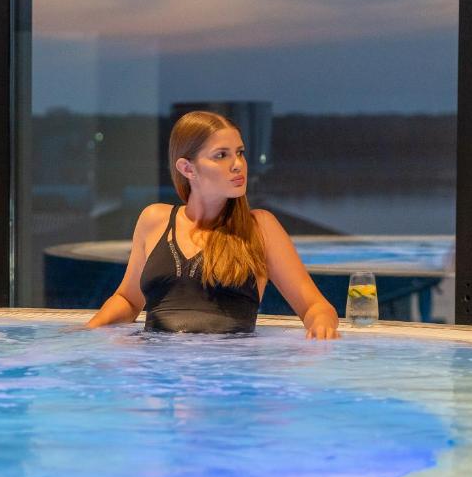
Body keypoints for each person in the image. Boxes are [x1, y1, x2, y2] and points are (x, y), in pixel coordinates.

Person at [86, 110, 340, 339]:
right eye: (221, 155)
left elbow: (315, 306)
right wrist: (87, 332)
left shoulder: (259, 227)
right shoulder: (155, 220)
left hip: (225, 372)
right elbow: (128, 300)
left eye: (240, 153)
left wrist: (321, 324)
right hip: (158, 371)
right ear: (187, 168)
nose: (238, 164)